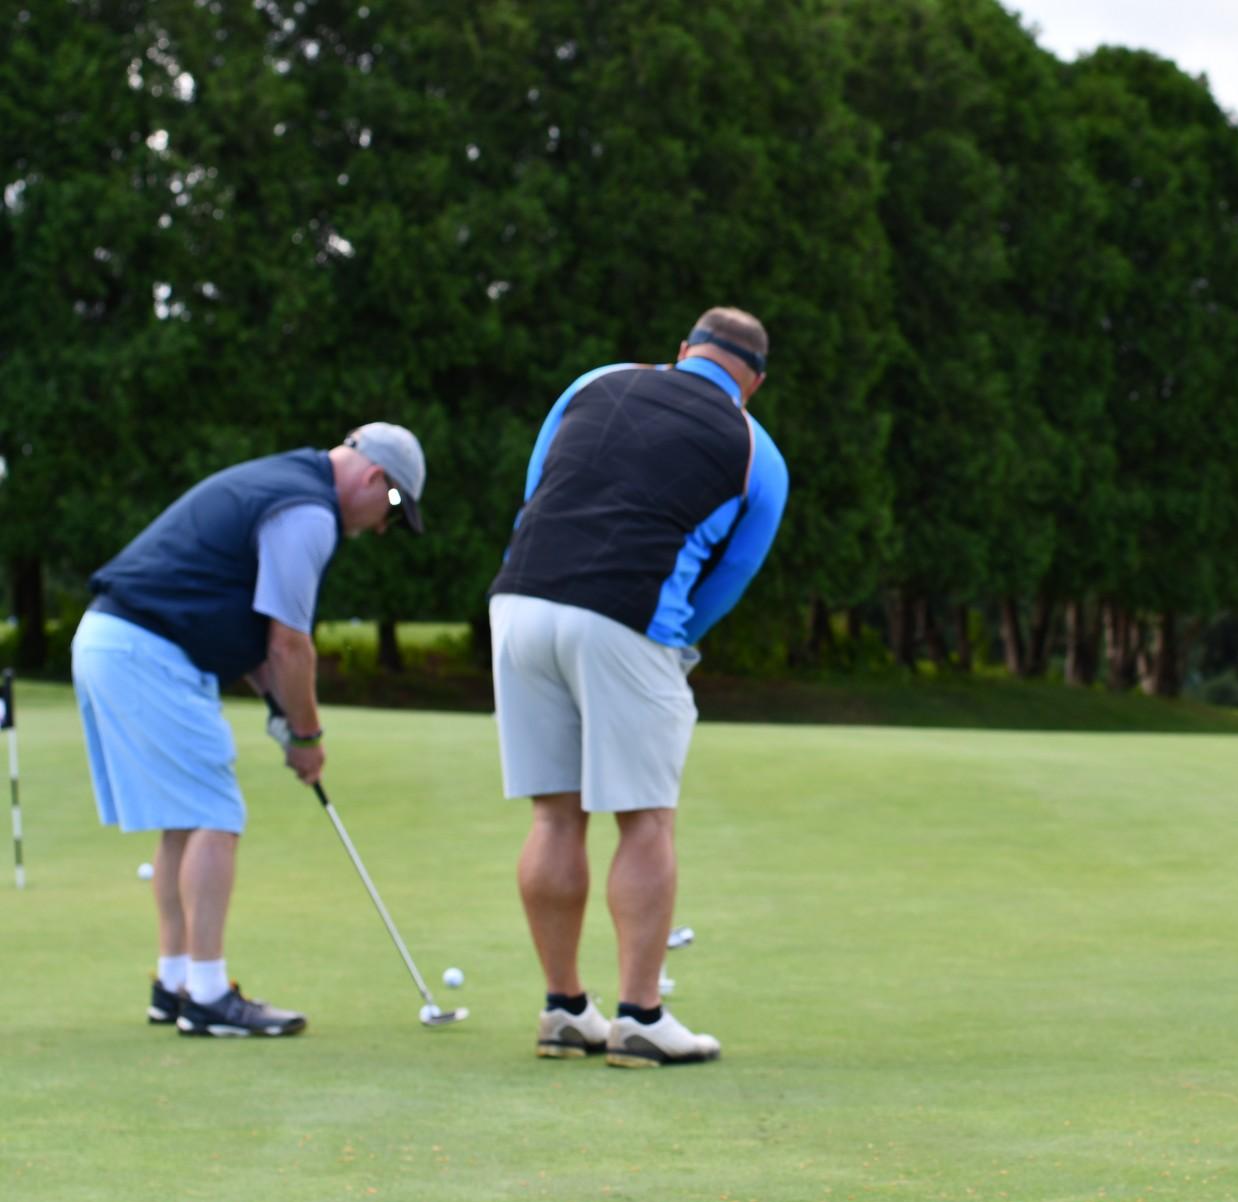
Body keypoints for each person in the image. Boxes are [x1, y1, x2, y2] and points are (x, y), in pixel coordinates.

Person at [489, 307, 788, 1067]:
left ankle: (564, 1009)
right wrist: (677, 639)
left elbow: (537, 488)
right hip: (626, 617)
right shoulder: (758, 451)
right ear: (752, 382)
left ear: (683, 351)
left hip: (518, 601)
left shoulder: (595, 381)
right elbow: (732, 574)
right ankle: (640, 1017)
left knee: (554, 816)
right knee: (645, 822)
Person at [74, 424, 427, 1036]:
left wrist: (283, 716)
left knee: (186, 818)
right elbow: (290, 645)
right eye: (392, 506)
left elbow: (257, 650)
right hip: (145, 649)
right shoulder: (308, 513)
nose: (381, 525)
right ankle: (208, 995)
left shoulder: (282, 480)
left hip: (116, 640)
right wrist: (309, 739)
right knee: (215, 812)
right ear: (375, 478)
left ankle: (176, 980)